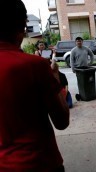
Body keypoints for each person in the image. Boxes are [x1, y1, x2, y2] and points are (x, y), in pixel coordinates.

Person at [0, 1, 69, 171]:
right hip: (39, 162)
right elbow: (61, 121)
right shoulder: (34, 65)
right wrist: (55, 78)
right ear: (22, 26)